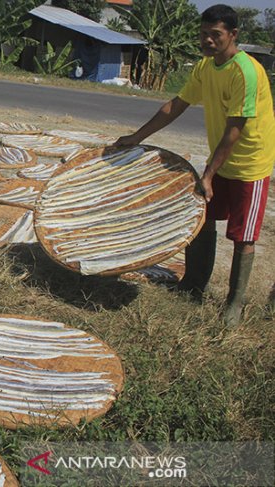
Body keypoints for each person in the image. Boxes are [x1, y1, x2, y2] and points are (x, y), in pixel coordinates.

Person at [115, 4, 274, 326]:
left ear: (233, 35)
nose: (208, 40)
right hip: (222, 158)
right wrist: (137, 136)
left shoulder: (246, 70)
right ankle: (193, 284)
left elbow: (235, 129)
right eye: (203, 34)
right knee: (201, 219)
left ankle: (234, 303)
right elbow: (177, 105)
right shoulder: (205, 67)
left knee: (243, 236)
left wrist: (208, 174)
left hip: (249, 164)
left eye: (215, 35)